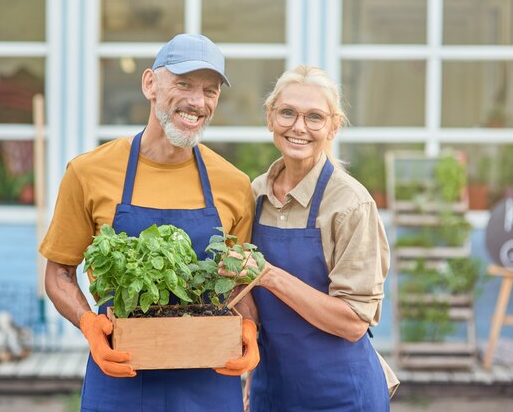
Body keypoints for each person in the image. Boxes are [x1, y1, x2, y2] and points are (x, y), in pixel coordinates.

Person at [39, 33, 259, 412]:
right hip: (121, 374)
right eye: (184, 84)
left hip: (207, 378)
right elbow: (58, 272)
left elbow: (240, 284)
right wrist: (88, 323)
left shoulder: (234, 184)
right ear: (150, 84)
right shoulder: (89, 172)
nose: (197, 101)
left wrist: (250, 329)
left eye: (210, 90)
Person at [226, 65, 399, 411]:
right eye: (287, 113)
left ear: (333, 126)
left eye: (314, 117)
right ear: (270, 117)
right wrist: (249, 372)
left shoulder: (350, 205)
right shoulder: (253, 194)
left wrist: (269, 275)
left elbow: (352, 321)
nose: (299, 127)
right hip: (271, 389)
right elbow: (244, 294)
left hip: (341, 393)